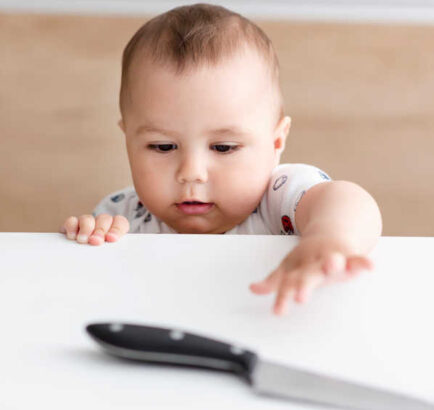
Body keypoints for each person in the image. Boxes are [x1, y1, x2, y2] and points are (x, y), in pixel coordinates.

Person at [60, 3, 382, 315]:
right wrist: (90, 240)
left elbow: (350, 201)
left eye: (224, 147)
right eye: (163, 147)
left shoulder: (279, 199)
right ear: (128, 138)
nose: (192, 173)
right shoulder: (123, 217)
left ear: (276, 142)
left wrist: (329, 238)